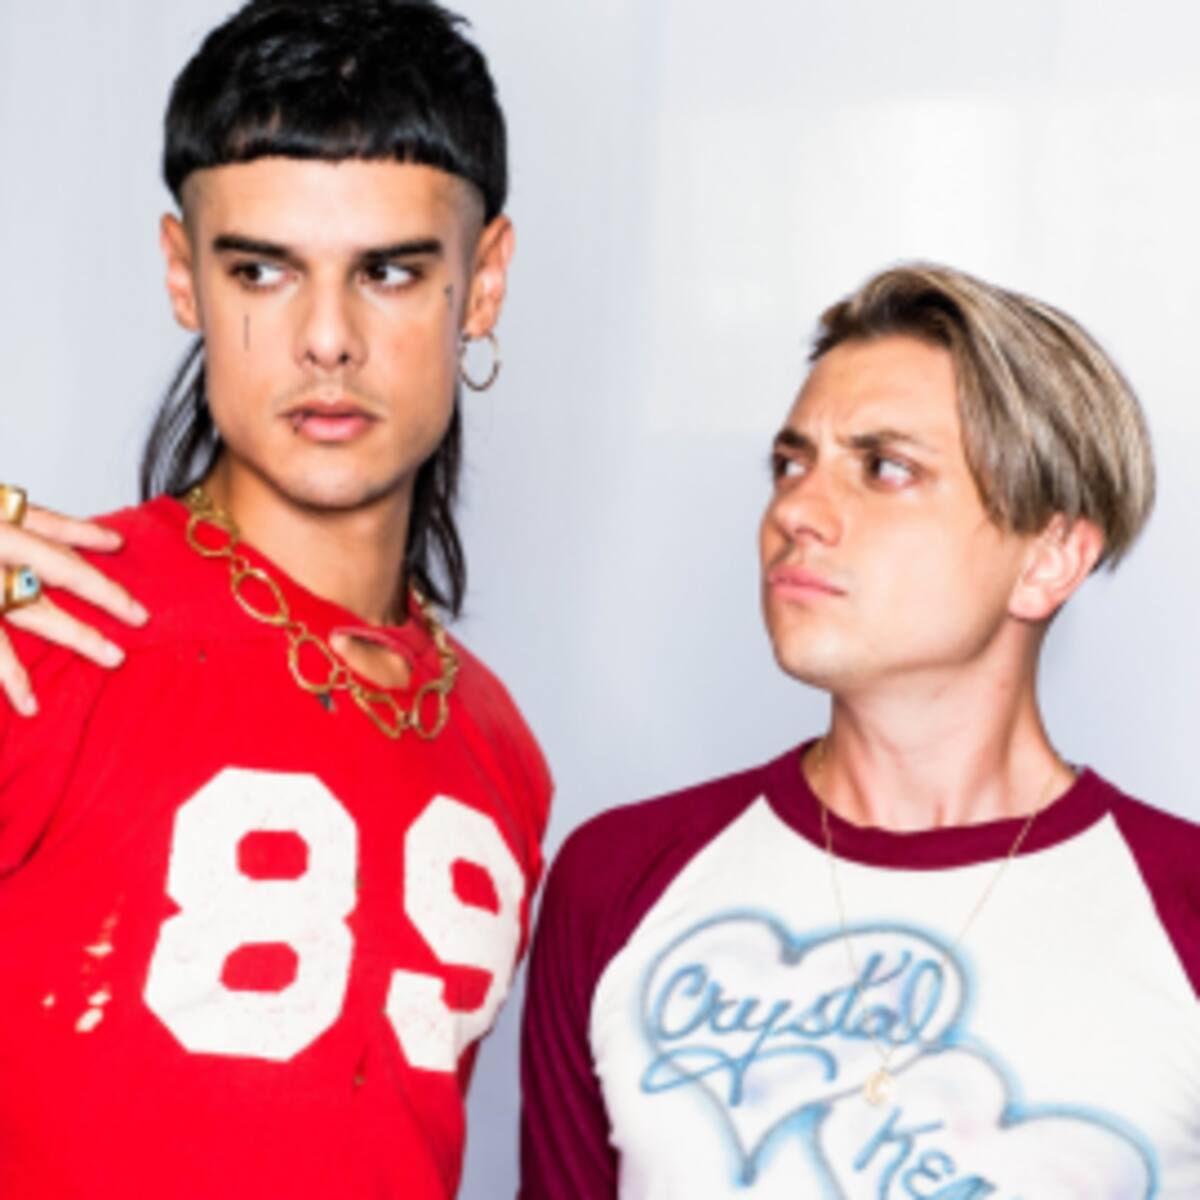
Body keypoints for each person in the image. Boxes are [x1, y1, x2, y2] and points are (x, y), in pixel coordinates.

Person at [0, 3, 550, 1197]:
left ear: (484, 281)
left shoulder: (501, 748)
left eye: (390, 272)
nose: (326, 341)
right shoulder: (46, 630)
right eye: (262, 269)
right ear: (182, 274)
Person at [518, 263, 1200, 1198]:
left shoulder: (1181, 908)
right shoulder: (618, 879)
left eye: (886, 468)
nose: (794, 511)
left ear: (1048, 559)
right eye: (791, 463)